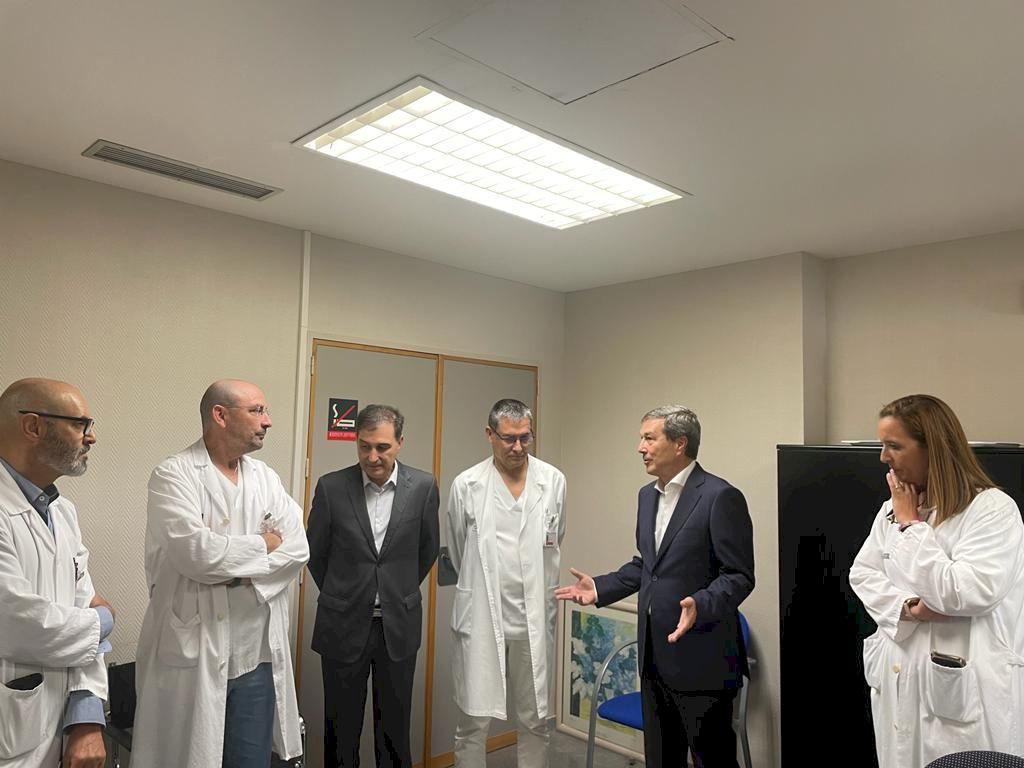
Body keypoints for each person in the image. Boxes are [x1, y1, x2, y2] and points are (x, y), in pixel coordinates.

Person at [556, 405, 754, 768]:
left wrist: (701, 602)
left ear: (680, 443)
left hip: (703, 662)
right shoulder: (647, 496)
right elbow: (649, 566)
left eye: (649, 438)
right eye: (641, 438)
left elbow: (739, 575)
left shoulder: (720, 496)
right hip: (654, 659)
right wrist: (599, 588)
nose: (640, 447)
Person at [131, 379, 309, 768]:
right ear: (220, 415)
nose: (268, 421)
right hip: (193, 653)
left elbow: (298, 549)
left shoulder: (265, 477)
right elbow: (197, 554)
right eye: (257, 410)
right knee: (190, 758)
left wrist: (237, 573)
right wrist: (264, 543)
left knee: (251, 760)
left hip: (256, 656)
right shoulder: (173, 475)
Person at [850, 394, 1024, 767]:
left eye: (894, 446)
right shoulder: (891, 509)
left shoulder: (992, 510)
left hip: (964, 693)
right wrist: (908, 607)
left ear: (935, 447)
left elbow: (964, 591)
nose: (883, 457)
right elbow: (863, 574)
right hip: (901, 682)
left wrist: (911, 525)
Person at [307, 404, 440, 768]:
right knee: (341, 731)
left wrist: (395, 589)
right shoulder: (332, 487)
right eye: (364, 446)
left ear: (400, 442)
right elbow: (315, 553)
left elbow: (427, 549)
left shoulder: (423, 487)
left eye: (382, 447)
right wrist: (346, 592)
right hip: (342, 623)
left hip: (397, 625)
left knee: (394, 731)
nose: (372, 456)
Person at [0, 378, 114, 768]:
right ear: (32, 426)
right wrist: (104, 620)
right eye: (81, 424)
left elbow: (80, 615)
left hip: (61, 730)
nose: (91, 436)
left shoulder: (62, 512)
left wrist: (86, 716)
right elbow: (19, 623)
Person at [447, 399, 566, 768]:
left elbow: (555, 537)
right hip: (482, 619)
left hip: (533, 622)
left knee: (535, 720)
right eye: (509, 438)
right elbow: (459, 550)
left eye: (525, 438)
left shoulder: (553, 481)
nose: (517, 447)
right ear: (489, 434)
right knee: (473, 721)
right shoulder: (467, 485)